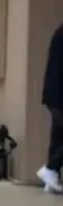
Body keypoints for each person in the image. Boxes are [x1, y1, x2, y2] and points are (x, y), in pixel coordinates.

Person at [37, 22, 63, 193]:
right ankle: (51, 168)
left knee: (58, 136)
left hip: (53, 93)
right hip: (59, 94)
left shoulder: (59, 32)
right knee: (58, 134)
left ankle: (52, 179)